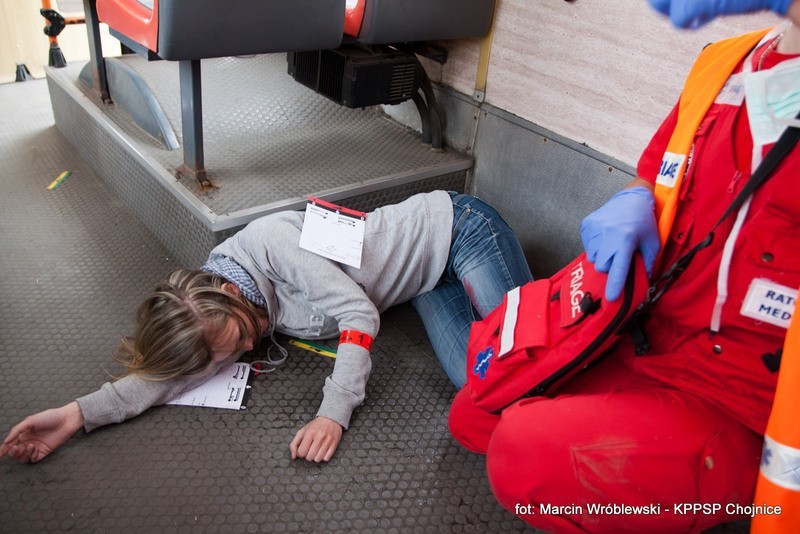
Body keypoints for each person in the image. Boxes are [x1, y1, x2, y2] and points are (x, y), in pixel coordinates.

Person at [449, 0, 800, 532]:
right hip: (648, 332)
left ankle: (717, 491)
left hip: (742, 398)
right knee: (475, 412)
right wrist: (632, 200)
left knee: (524, 456)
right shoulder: (727, 62)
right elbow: (654, 174)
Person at [0, 190, 532, 464]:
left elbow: (359, 314)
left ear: (231, 294)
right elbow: (177, 374)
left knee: (530, 361)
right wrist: (78, 415)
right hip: (425, 281)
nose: (238, 354)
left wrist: (332, 415)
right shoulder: (216, 307)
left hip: (461, 228)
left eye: (229, 347)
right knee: (482, 384)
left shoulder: (274, 249)